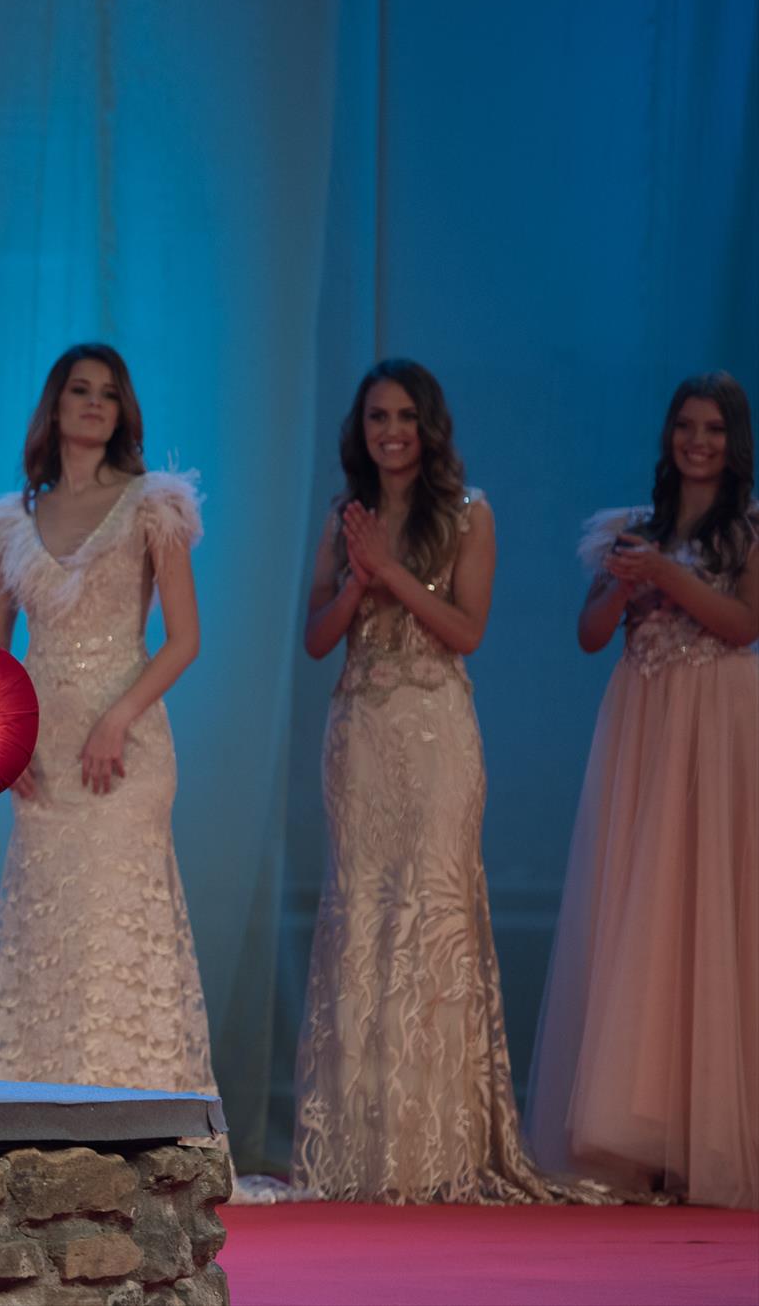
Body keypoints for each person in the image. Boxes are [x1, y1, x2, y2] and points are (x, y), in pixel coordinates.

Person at [291, 358, 604, 1203]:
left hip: (436, 734)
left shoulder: (469, 514)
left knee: (430, 915)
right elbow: (316, 640)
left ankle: (433, 1148)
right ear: (360, 430)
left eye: (404, 416)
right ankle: (361, 1148)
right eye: (376, 417)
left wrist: (391, 573)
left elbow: (468, 631)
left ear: (429, 427)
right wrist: (357, 579)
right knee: (362, 914)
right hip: (360, 734)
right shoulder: (344, 518)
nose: (390, 431)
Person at [526, 371, 759, 1208]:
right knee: (641, 910)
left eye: (714, 428)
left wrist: (671, 575)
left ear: (734, 441)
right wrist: (627, 581)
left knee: (705, 906)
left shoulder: (750, 529)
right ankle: (637, 1127)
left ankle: (708, 1134)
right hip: (644, 721)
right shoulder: (632, 529)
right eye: (686, 426)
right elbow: (590, 636)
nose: (698, 441)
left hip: (715, 724)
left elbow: (743, 624)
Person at [0, 345, 218, 1109]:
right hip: (43, 758)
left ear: (123, 411)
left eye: (110, 392)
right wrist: (3, 744)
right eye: (81, 390)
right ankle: (37, 1121)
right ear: (56, 405)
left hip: (125, 751)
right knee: (50, 934)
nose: (95, 403)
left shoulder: (152, 507)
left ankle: (132, 1116)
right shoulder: (12, 522)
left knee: (116, 929)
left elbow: (184, 639)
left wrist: (117, 718)